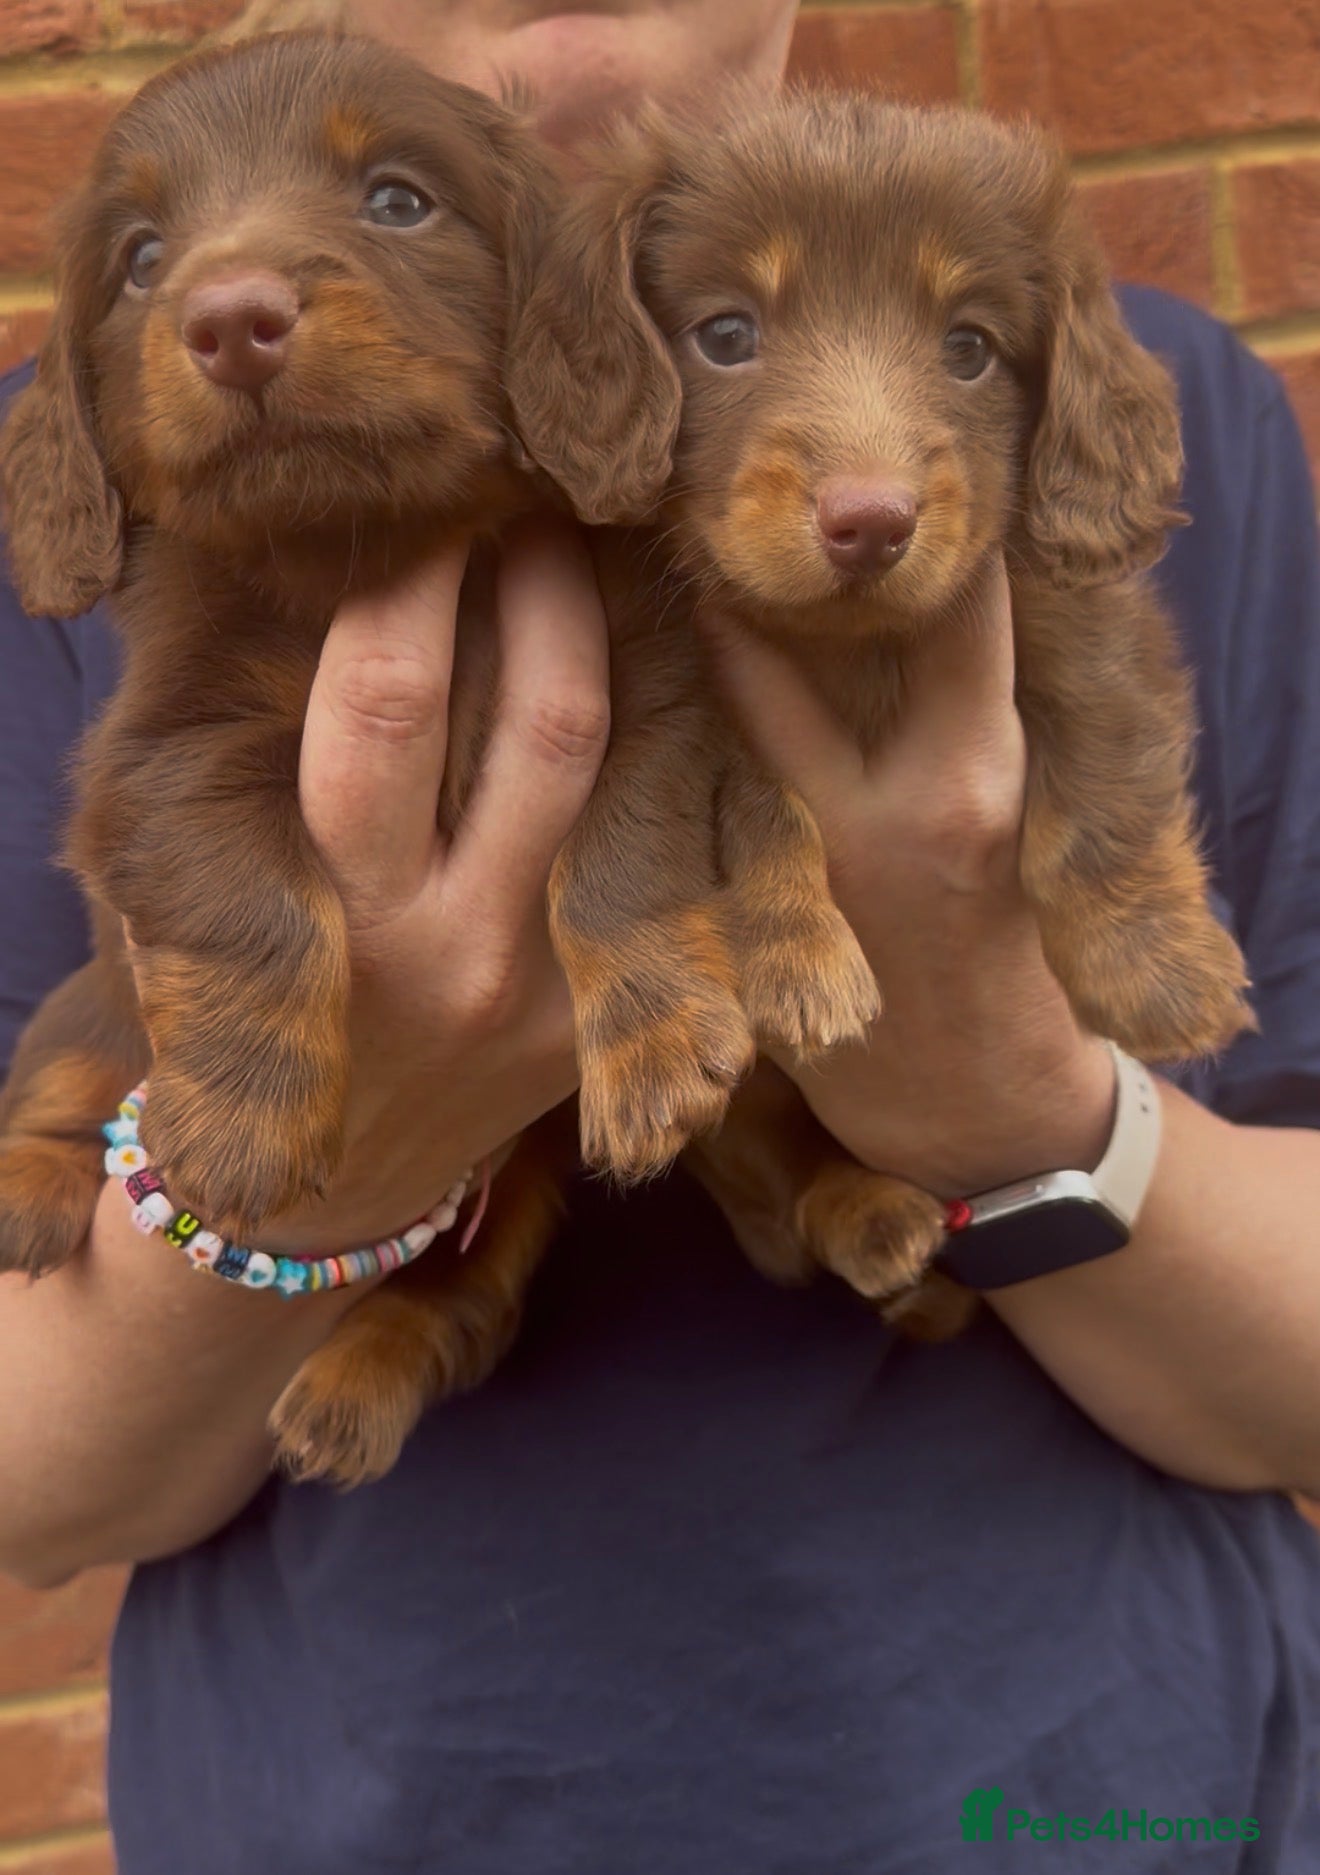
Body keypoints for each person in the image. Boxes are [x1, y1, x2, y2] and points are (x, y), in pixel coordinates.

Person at [1, 2, 1318, 1869]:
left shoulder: (1155, 407)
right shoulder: (136, 446)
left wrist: (1001, 1098)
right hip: (359, 1813)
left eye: (400, 201)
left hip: (1115, 1790)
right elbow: (29, 1489)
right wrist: (317, 1169)